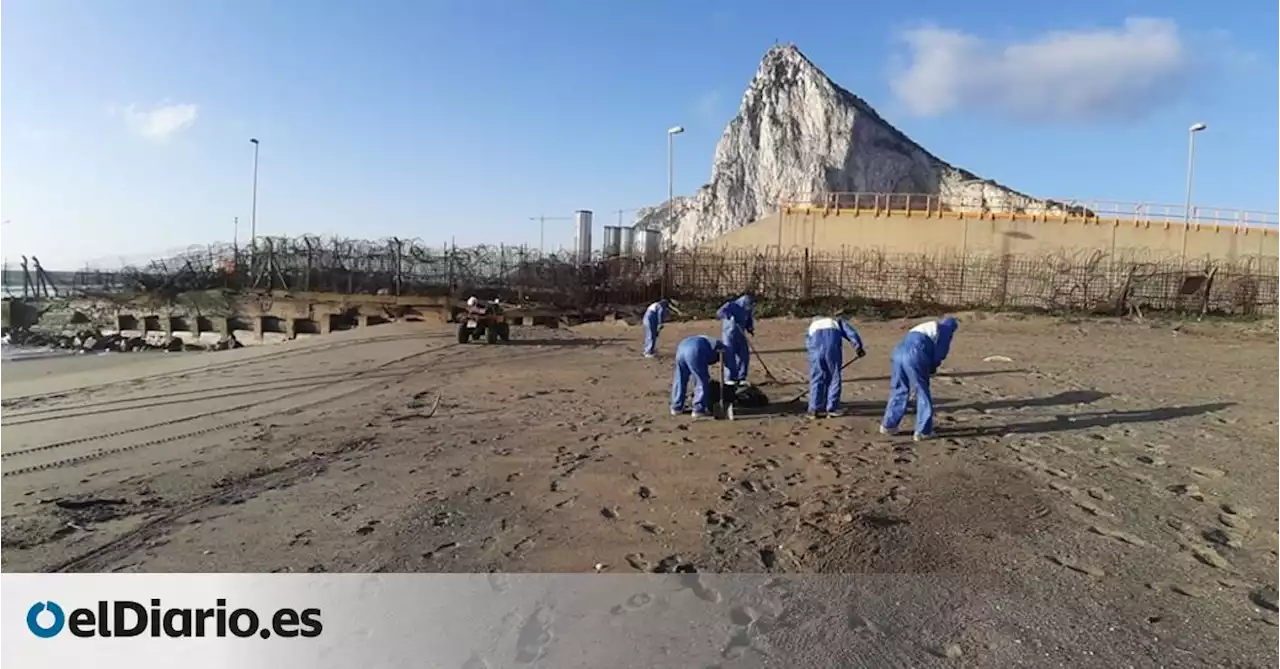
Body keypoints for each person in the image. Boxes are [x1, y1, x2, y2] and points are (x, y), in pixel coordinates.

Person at [880, 316, 959, 441]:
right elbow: (941, 351)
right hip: (915, 353)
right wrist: (933, 367)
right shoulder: (945, 329)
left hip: (898, 352)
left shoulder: (926, 326)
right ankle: (923, 431)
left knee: (899, 388)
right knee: (922, 392)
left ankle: (888, 425)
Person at [805, 316, 866, 418]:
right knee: (834, 377)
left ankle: (814, 409)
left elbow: (808, 342)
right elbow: (851, 333)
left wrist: (813, 356)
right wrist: (858, 347)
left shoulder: (812, 325)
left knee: (816, 378)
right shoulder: (836, 321)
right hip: (831, 349)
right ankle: (832, 408)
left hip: (815, 351)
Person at [671, 335, 725, 419]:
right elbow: (728, 364)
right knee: (702, 380)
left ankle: (676, 407)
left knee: (680, 378)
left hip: (682, 347)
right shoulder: (721, 347)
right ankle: (699, 410)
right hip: (696, 349)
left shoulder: (708, 339)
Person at [716, 294, 755, 385]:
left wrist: (750, 328)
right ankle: (730, 377)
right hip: (729, 334)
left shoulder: (747, 309)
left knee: (744, 355)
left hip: (741, 335)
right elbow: (719, 312)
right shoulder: (731, 305)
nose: (749, 307)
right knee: (730, 355)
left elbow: (748, 319)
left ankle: (741, 377)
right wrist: (728, 316)